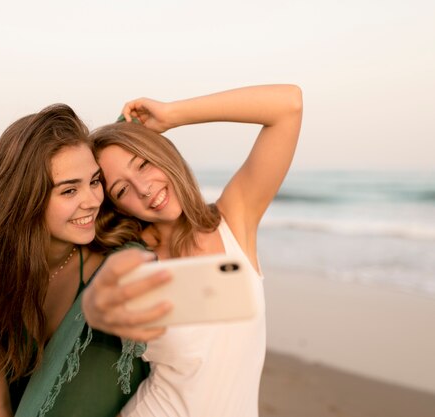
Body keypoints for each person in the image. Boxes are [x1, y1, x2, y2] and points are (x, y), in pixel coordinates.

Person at [81, 85, 303, 416]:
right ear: (119, 207)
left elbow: (289, 106)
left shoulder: (234, 222)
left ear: (162, 154)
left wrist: (173, 114)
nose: (144, 189)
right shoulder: (131, 262)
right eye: (122, 189)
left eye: (143, 164)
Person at [0, 104, 149, 417]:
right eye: (69, 191)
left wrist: (174, 116)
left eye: (95, 181)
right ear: (26, 198)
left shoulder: (106, 258)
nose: (92, 201)